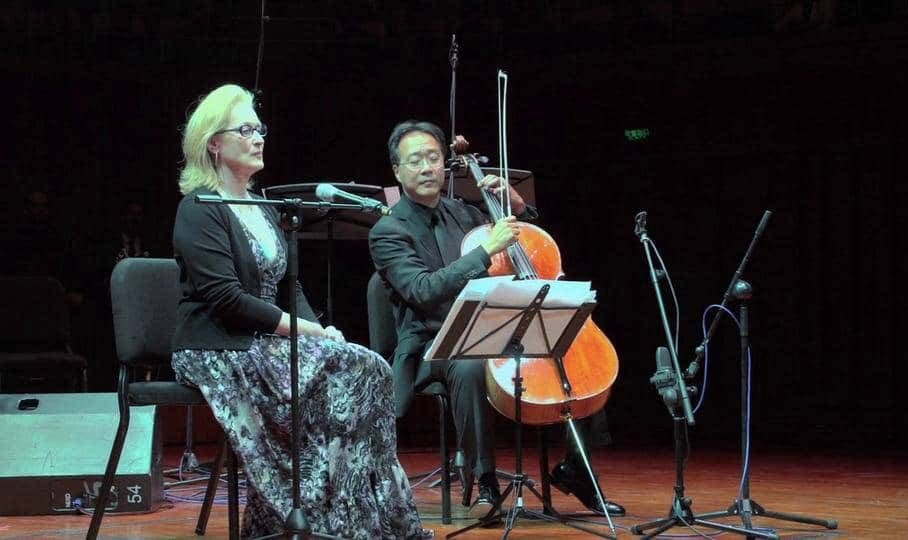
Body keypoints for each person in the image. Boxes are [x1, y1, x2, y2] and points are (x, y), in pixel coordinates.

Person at [171, 84, 429, 539]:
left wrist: (320, 330)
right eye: (245, 129)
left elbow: (290, 287)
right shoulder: (201, 208)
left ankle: (363, 519)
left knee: (367, 365)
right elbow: (226, 298)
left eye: (260, 128)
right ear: (214, 142)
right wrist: (302, 330)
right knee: (351, 371)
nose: (258, 137)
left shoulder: (262, 204)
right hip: (217, 346)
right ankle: (321, 516)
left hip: (262, 339)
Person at [368, 119, 624, 518]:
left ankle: (577, 469)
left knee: (574, 358)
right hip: (432, 344)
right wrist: (484, 252)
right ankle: (484, 480)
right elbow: (422, 291)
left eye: (433, 158)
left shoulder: (466, 213)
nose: (426, 167)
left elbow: (528, 253)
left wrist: (516, 208)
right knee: (469, 366)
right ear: (397, 170)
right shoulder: (387, 230)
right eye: (415, 160)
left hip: (495, 329)